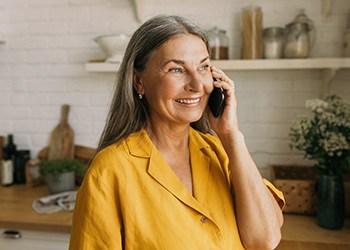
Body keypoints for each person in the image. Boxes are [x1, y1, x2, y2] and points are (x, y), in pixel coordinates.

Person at [69, 14, 284, 250]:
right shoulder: (110, 171)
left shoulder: (220, 152)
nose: (196, 85)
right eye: (176, 70)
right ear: (138, 82)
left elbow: (265, 240)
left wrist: (231, 136)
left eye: (203, 67)